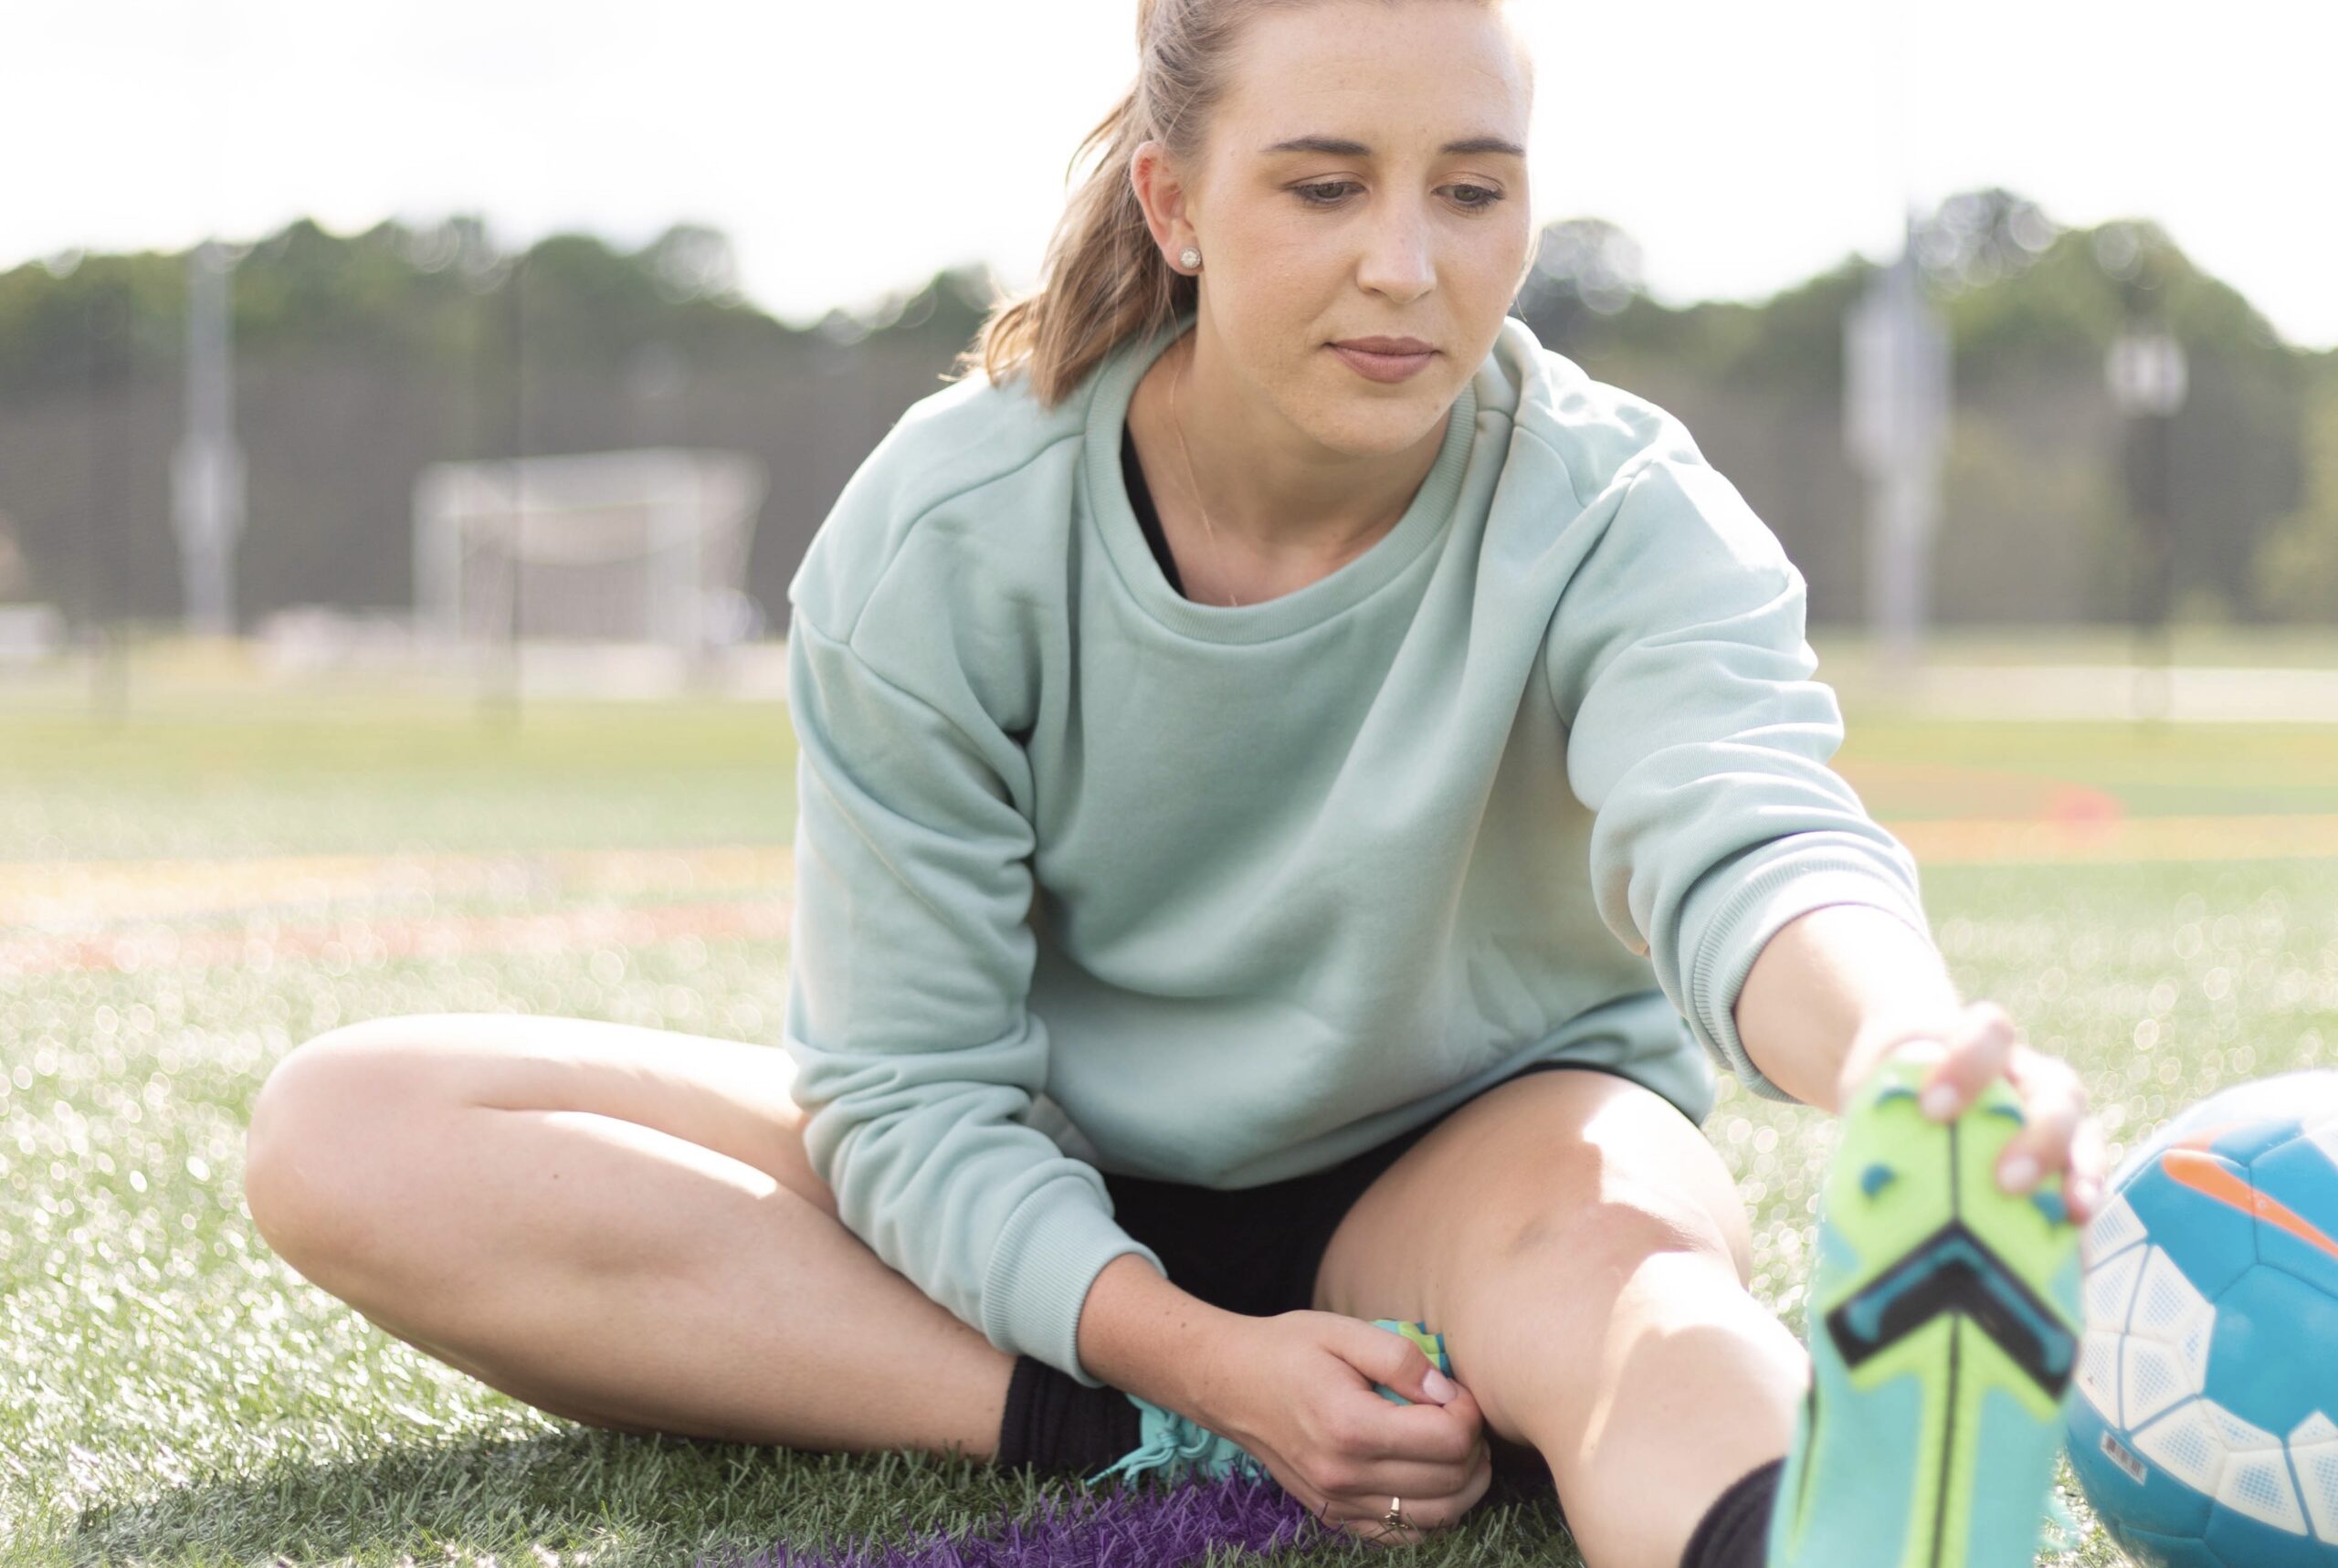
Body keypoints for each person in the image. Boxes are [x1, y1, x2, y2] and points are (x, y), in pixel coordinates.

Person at [238, 2, 2109, 1565]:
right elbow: (905, 1089)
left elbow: (1749, 832)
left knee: (1634, 1268)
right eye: (1324, 184)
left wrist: (1900, 1060)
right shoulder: (947, 526)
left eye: (1472, 190)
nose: (1407, 261)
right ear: (1175, 199)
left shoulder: (1617, 510)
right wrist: (1201, 1360)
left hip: (1472, 1162)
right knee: (352, 1125)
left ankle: (1824, 1535)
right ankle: (1109, 1419)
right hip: (1051, 1184)